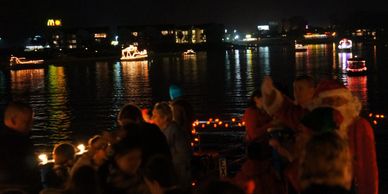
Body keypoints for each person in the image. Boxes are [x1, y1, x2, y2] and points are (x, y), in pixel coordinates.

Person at [261, 77, 378, 194]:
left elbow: (367, 169)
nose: (334, 104)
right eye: (328, 101)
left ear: (348, 101)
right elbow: (289, 112)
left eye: (338, 99)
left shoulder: (359, 126)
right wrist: (271, 95)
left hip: (345, 183)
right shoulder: (313, 119)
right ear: (320, 103)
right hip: (316, 181)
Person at [0, 101, 41, 193]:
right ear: (13, 120)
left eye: (31, 122)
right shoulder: (18, 144)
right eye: (27, 122)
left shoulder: (19, 140)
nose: (31, 126)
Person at [152, 102, 192, 192]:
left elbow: (183, 154)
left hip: (179, 171)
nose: (152, 119)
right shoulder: (165, 130)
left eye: (155, 116)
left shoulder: (172, 130)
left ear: (165, 117)